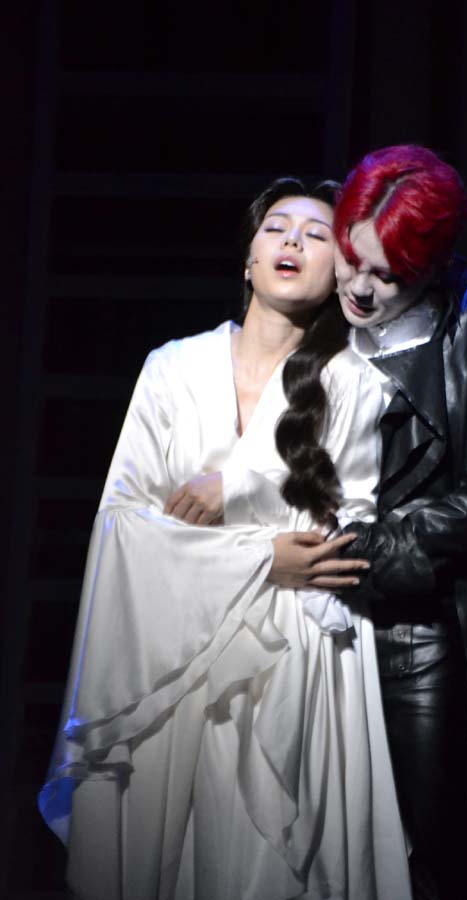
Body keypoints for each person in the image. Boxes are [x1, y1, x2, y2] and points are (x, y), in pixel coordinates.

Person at [38, 177, 413, 900]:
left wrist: (237, 494)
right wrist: (263, 554)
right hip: (171, 658)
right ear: (248, 259)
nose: (294, 240)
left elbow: (342, 532)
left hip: (291, 660)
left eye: (316, 235)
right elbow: (121, 523)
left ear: (339, 272)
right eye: (277, 227)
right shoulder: (171, 368)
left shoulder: (354, 383)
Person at [327, 145, 467, 900]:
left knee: (430, 856)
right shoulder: (318, 320)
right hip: (296, 615)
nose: (360, 287)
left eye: (387, 274)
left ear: (434, 263)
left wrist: (360, 551)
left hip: (413, 632)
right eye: (351, 258)